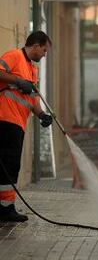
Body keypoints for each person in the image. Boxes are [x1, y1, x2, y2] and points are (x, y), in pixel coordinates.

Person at [0, 31, 53, 222]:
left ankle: (5, 207)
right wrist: (17, 81)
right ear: (36, 45)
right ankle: (6, 209)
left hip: (18, 123)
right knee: (8, 164)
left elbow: (33, 98)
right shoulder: (14, 56)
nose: (45, 54)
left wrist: (41, 115)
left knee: (9, 166)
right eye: (44, 50)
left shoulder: (32, 69)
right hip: (4, 119)